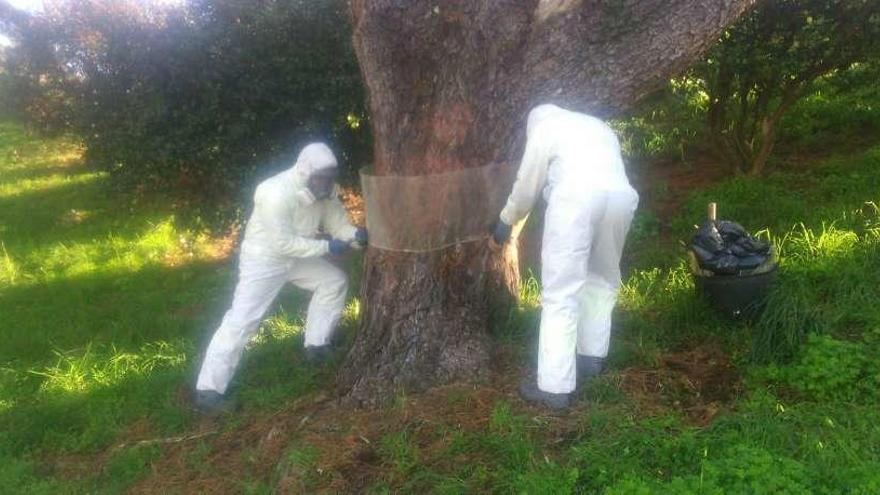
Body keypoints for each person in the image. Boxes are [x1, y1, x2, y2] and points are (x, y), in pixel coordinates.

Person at [194, 142, 367, 414]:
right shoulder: (274, 191)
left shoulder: (326, 191)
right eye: (321, 177)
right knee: (242, 320)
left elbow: (337, 224)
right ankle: (208, 390)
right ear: (305, 171)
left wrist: (354, 237)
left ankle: (317, 346)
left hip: (298, 256)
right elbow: (282, 243)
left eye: (330, 177)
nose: (326, 183)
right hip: (264, 260)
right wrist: (326, 247)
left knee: (333, 281)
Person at [492, 104, 638, 410]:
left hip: (575, 198)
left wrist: (505, 222)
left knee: (561, 293)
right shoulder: (596, 124)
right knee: (601, 279)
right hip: (621, 198)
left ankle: (554, 388)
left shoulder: (544, 127)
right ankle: (591, 360)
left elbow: (527, 185)